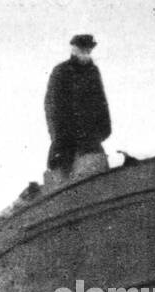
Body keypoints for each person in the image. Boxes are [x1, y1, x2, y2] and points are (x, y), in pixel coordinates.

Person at [44, 34, 111, 187]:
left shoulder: (93, 72)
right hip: (65, 143)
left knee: (96, 172)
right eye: (83, 49)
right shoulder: (61, 72)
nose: (86, 53)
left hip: (90, 140)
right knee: (66, 181)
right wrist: (60, 137)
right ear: (74, 50)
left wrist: (103, 131)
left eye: (88, 49)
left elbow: (102, 104)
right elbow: (52, 109)